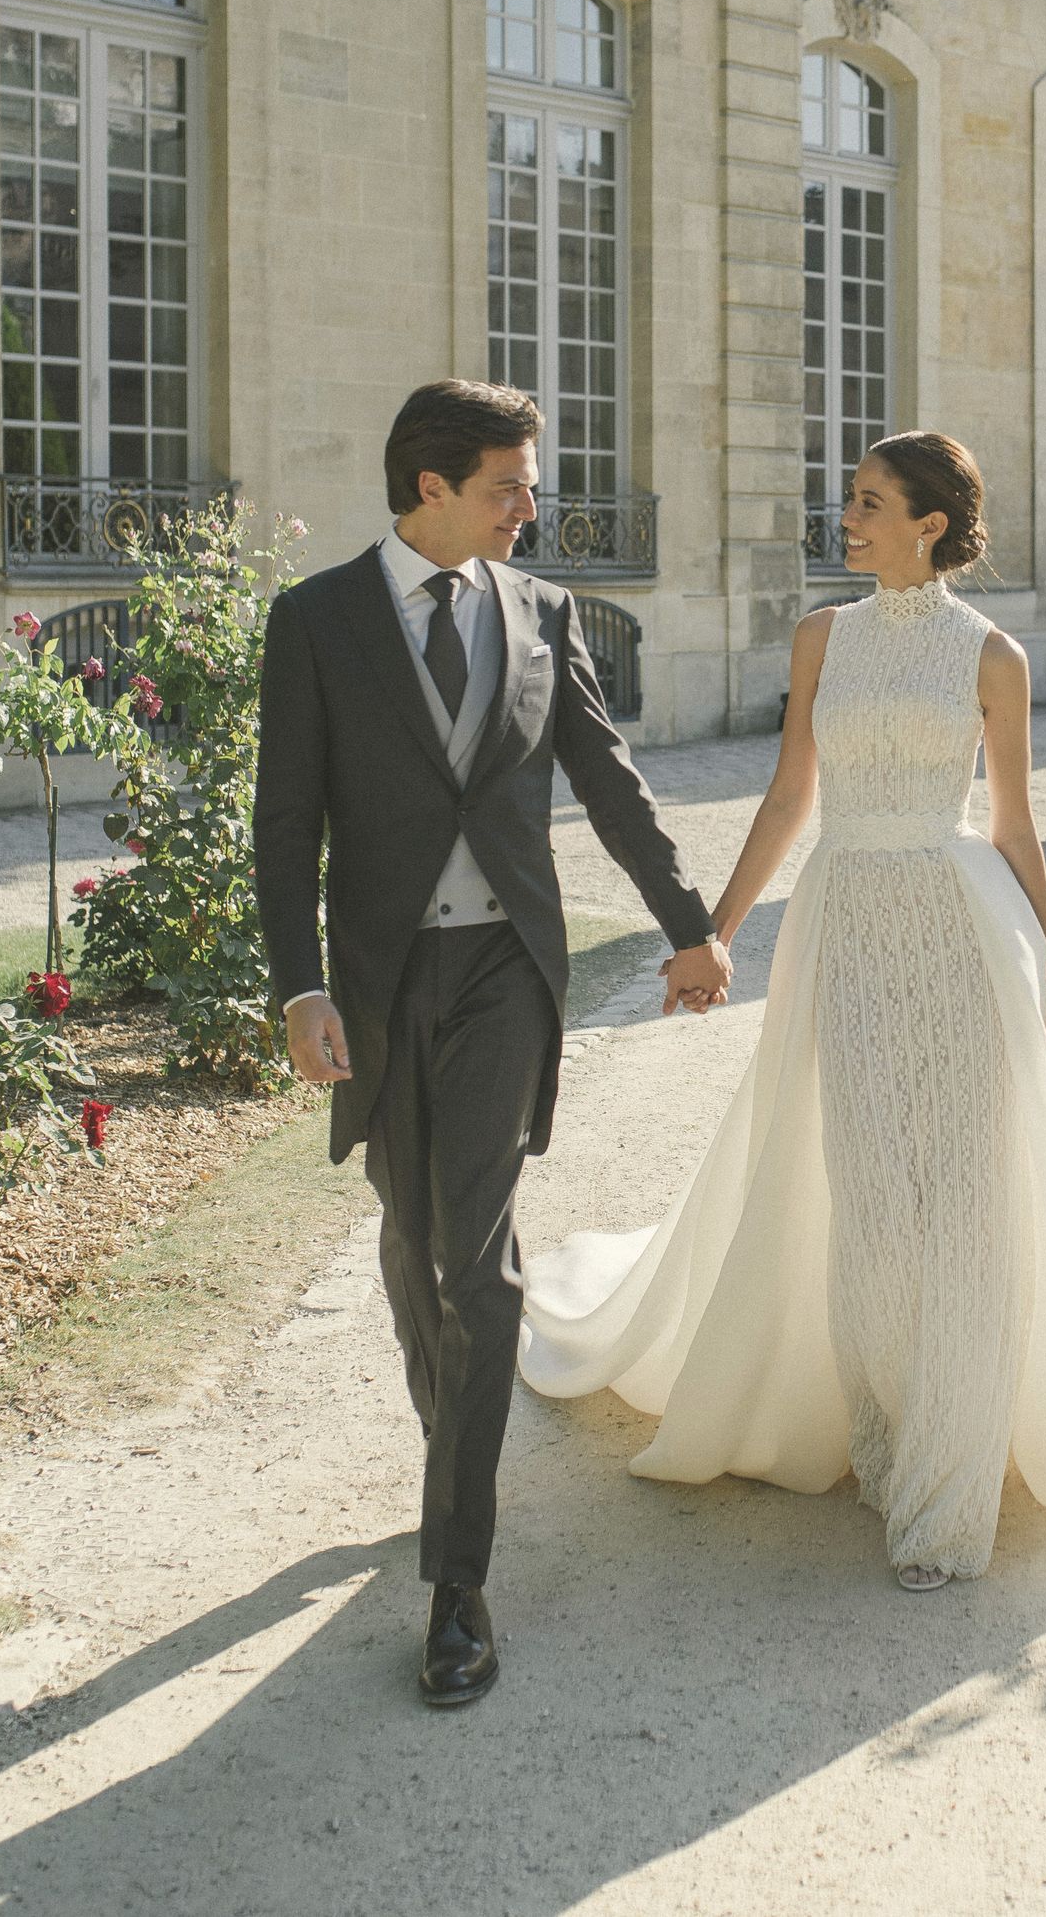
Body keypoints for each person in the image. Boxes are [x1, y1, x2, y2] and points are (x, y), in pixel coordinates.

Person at [520, 431, 1046, 1588]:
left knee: (967, 1200)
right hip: (847, 925)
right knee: (874, 1197)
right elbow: (790, 796)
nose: (849, 518)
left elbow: (1015, 824)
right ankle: (886, 1433)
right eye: (851, 500)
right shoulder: (820, 636)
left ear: (929, 524)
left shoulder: (992, 656)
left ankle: (947, 1492)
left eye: (870, 502)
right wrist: (715, 932)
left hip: (962, 932)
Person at [253, 379, 731, 1704]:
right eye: (511, 485)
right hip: (385, 983)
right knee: (415, 1247)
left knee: (477, 1270)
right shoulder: (318, 624)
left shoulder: (545, 614)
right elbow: (285, 827)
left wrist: (688, 925)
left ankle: (458, 1585)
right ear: (434, 487)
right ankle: (449, 1453)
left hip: (508, 978)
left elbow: (608, 777)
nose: (534, 506)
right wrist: (303, 990)